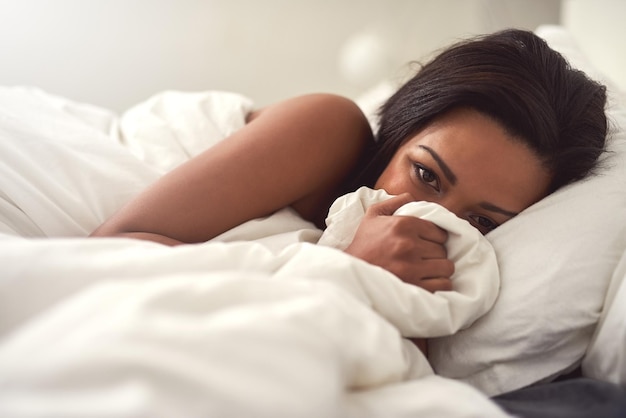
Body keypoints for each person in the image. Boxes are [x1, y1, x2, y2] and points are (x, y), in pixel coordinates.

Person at [90, 29, 607, 295]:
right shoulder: (328, 129)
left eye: (480, 220)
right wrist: (345, 269)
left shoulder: (444, 272)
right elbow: (106, 251)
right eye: (425, 175)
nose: (422, 216)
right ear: (402, 125)